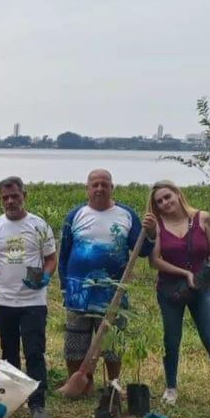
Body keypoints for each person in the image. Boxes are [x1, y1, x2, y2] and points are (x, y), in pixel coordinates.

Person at [58, 169, 154, 395]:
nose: (99, 188)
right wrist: (64, 285)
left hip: (113, 292)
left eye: (104, 184)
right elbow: (64, 254)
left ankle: (113, 384)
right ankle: (81, 383)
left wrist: (152, 233)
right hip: (78, 291)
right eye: (95, 184)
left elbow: (143, 250)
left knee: (112, 341)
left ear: (112, 188)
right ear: (87, 188)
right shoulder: (74, 215)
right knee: (75, 341)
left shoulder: (126, 215)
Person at [0, 177, 57, 418]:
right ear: (0, 198)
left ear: (24, 195)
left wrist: (45, 276)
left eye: (15, 196)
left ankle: (37, 403)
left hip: (33, 301)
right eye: (5, 198)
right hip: (3, 301)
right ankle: (13, 398)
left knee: (34, 351)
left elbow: (51, 258)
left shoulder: (39, 225)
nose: (10, 202)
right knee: (9, 352)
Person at [147, 180, 210, 409]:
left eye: (168, 197)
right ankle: (171, 387)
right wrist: (184, 273)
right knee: (171, 340)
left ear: (177, 194)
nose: (165, 203)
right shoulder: (157, 225)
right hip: (170, 290)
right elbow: (154, 261)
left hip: (200, 288)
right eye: (159, 201)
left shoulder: (202, 218)